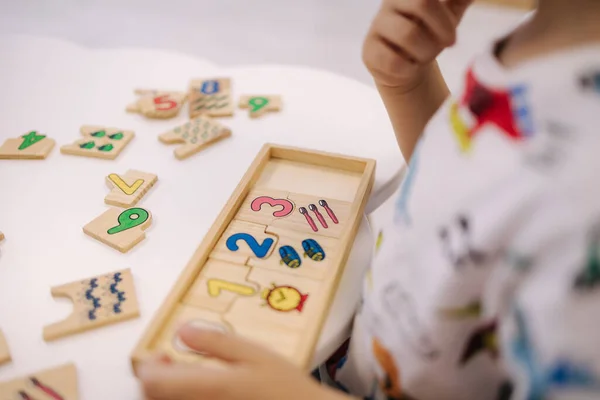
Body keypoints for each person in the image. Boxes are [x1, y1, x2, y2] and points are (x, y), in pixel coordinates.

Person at [138, 0, 600, 398]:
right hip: (351, 351)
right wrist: (409, 84)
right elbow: (483, 195)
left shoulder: (585, 199)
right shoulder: (539, 40)